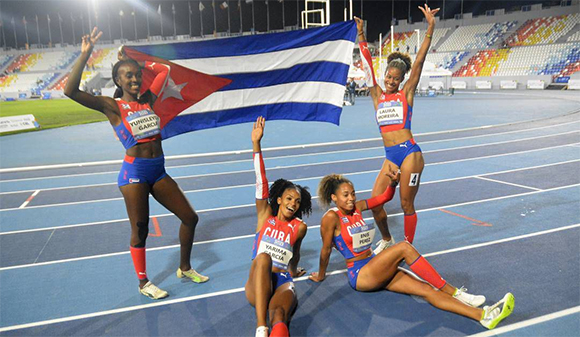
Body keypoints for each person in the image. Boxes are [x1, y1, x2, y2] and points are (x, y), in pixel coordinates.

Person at [64, 28, 208, 300]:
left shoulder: (147, 100)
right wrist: (84, 55)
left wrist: (139, 61)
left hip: (158, 170)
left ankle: (185, 267)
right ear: (117, 80)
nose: (135, 78)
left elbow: (164, 71)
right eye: (128, 75)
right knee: (140, 228)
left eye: (137, 75)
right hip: (134, 174)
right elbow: (70, 91)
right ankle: (143, 282)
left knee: (190, 218)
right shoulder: (112, 106)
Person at [309, 174, 515, 330]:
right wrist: (320, 274)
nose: (351, 199)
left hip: (375, 265)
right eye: (345, 195)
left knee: (426, 290)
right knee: (404, 248)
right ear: (334, 197)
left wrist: (393, 183)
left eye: (353, 194)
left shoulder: (358, 207)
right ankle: (455, 292)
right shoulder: (331, 218)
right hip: (361, 274)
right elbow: (326, 250)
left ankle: (482, 316)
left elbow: (385, 197)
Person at [356, 4, 438, 254]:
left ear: (401, 80)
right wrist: (361, 35)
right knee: (376, 201)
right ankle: (388, 240)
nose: (390, 81)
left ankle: (408, 249)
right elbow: (368, 66)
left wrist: (430, 28)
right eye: (388, 77)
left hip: (410, 154)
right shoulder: (377, 95)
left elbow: (420, 62)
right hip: (390, 157)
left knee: (405, 203)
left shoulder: (406, 94)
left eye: (395, 79)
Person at [246, 116, 312, 337]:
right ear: (279, 200)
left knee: (280, 316)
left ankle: (272, 325)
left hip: (282, 279)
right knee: (263, 257)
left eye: (297, 202)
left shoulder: (299, 227)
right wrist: (257, 145)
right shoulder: (265, 216)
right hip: (257, 281)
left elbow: (295, 254)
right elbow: (260, 182)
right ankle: (260, 327)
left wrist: (294, 271)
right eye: (289, 199)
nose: (293, 204)